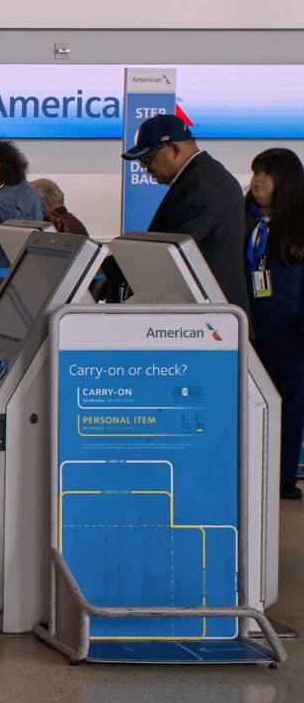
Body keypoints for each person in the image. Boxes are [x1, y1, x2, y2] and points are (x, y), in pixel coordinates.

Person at [122, 113, 248, 314]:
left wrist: (113, 265)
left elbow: (171, 251)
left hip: (209, 319)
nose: (144, 167)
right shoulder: (202, 177)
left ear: (174, 149)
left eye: (148, 157)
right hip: (207, 315)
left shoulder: (203, 184)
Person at [245, 149, 304, 501]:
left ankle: (282, 478)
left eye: (267, 173)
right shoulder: (243, 219)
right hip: (250, 327)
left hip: (290, 331)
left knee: (289, 403)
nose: (258, 180)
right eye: (255, 171)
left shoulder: (298, 225)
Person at [0, 140, 44, 269]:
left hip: (2, 276)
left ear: (0, 167)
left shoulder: (4, 201)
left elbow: (17, 247)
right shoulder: (25, 190)